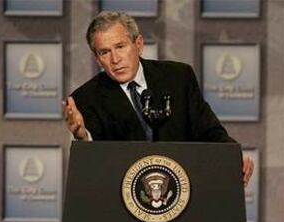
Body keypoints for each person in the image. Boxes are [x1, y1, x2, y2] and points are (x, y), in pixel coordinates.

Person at [64, 11, 253, 185]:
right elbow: (97, 162)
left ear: (138, 45)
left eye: (120, 47)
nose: (115, 59)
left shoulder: (178, 77)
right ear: (97, 59)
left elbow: (208, 130)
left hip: (183, 190)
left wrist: (232, 156)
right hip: (126, 202)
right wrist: (83, 136)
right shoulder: (86, 99)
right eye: (104, 52)